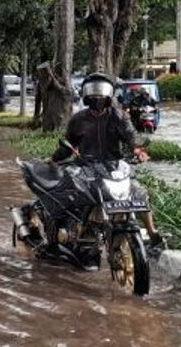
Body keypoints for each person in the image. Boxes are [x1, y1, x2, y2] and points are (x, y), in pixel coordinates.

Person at [50, 73, 163, 249]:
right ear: (85, 94)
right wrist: (54, 159)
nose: (98, 96)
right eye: (93, 91)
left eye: (101, 91)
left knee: (139, 193)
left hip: (115, 166)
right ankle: (77, 232)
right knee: (79, 197)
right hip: (87, 167)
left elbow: (131, 135)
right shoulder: (78, 119)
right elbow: (67, 147)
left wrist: (138, 150)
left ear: (109, 94)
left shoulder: (118, 116)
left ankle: (151, 231)